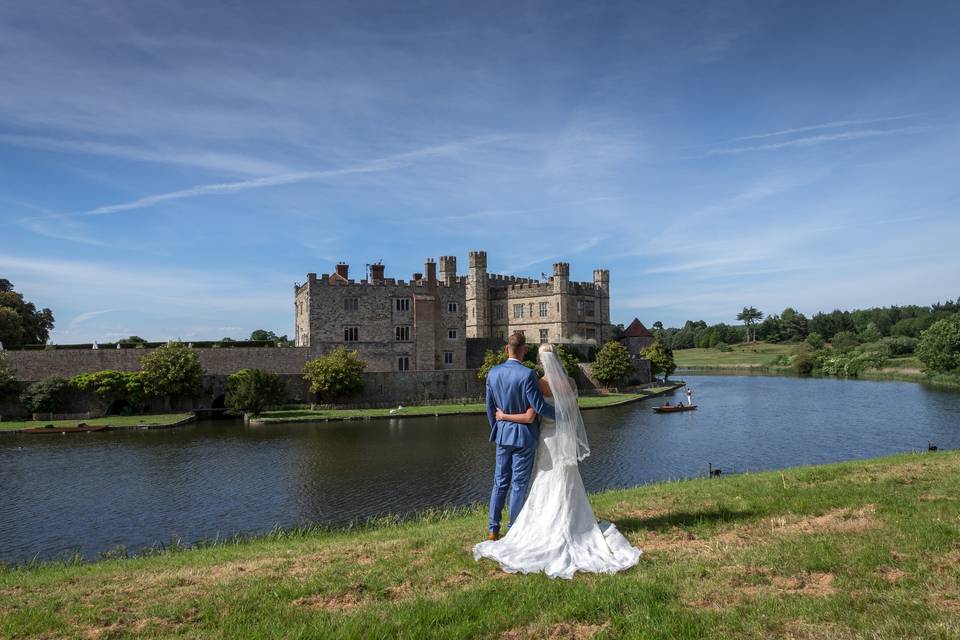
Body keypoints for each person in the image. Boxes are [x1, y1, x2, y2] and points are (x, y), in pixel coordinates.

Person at [473, 344, 642, 579]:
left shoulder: (538, 382)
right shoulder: (571, 382)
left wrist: (501, 421)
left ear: (542, 361)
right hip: (564, 437)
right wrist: (563, 417)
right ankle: (573, 521)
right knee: (566, 478)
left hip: (545, 438)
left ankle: (501, 529)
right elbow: (569, 410)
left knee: (534, 480)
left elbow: (534, 411)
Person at [481, 332, 555, 541]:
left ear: (506, 349)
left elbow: (488, 408)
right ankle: (514, 528)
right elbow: (539, 406)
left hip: (503, 435)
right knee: (518, 485)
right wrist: (564, 416)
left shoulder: (493, 373)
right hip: (524, 436)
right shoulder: (527, 374)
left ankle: (493, 530)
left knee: (499, 482)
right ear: (523, 350)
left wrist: (498, 426)